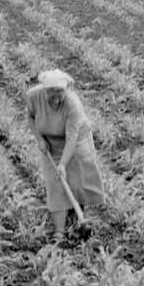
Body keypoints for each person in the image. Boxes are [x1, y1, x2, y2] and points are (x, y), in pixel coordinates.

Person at [26, 69, 104, 246]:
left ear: (66, 90)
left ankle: (77, 218)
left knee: (77, 181)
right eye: (51, 91)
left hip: (76, 142)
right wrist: (39, 139)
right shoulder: (33, 96)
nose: (56, 95)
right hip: (50, 143)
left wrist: (62, 164)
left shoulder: (72, 103)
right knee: (55, 185)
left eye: (60, 91)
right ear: (44, 89)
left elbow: (72, 139)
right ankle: (60, 232)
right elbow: (30, 118)